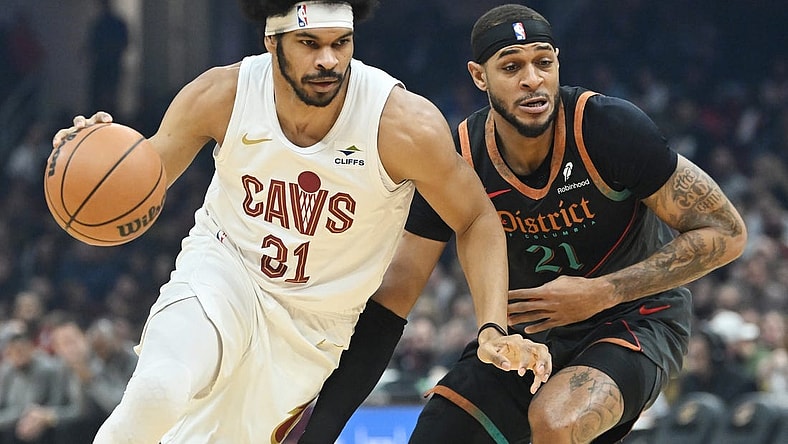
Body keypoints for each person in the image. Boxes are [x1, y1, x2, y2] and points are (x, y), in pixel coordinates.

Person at [50, 1, 551, 442]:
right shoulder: (222, 93)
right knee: (158, 389)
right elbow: (143, 180)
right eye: (309, 43)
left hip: (312, 329)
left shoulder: (401, 125)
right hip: (224, 272)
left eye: (341, 43)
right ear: (272, 42)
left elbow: (476, 217)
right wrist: (96, 154)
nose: (328, 60)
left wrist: (491, 326)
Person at [298, 3, 748, 443]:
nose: (533, 80)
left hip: (634, 318)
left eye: (543, 63)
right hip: (523, 336)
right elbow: (396, 293)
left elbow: (727, 233)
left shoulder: (608, 128)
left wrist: (604, 292)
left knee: (557, 421)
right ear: (479, 76)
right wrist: (321, 429)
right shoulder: (458, 158)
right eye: (511, 67)